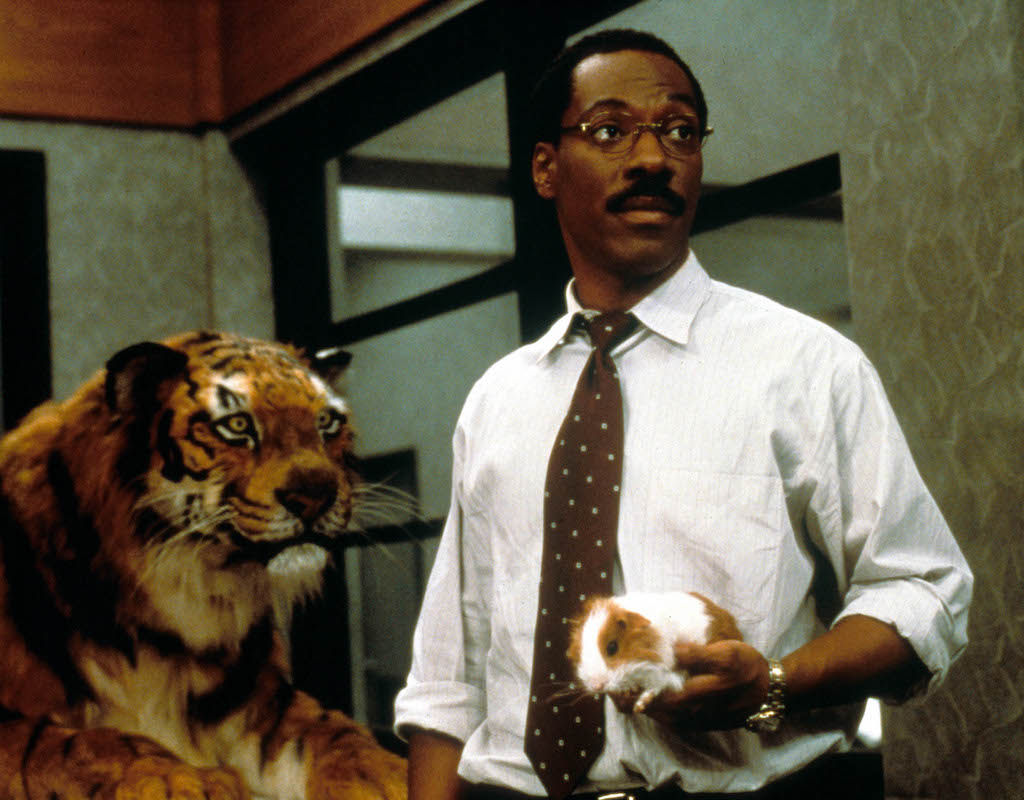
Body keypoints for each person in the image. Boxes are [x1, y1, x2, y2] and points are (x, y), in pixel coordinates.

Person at [393, 28, 972, 800]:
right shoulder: (497, 400)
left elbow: (924, 590)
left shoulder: (804, 366)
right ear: (545, 167)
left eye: (679, 130)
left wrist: (773, 684)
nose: (652, 159)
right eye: (610, 130)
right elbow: (448, 681)